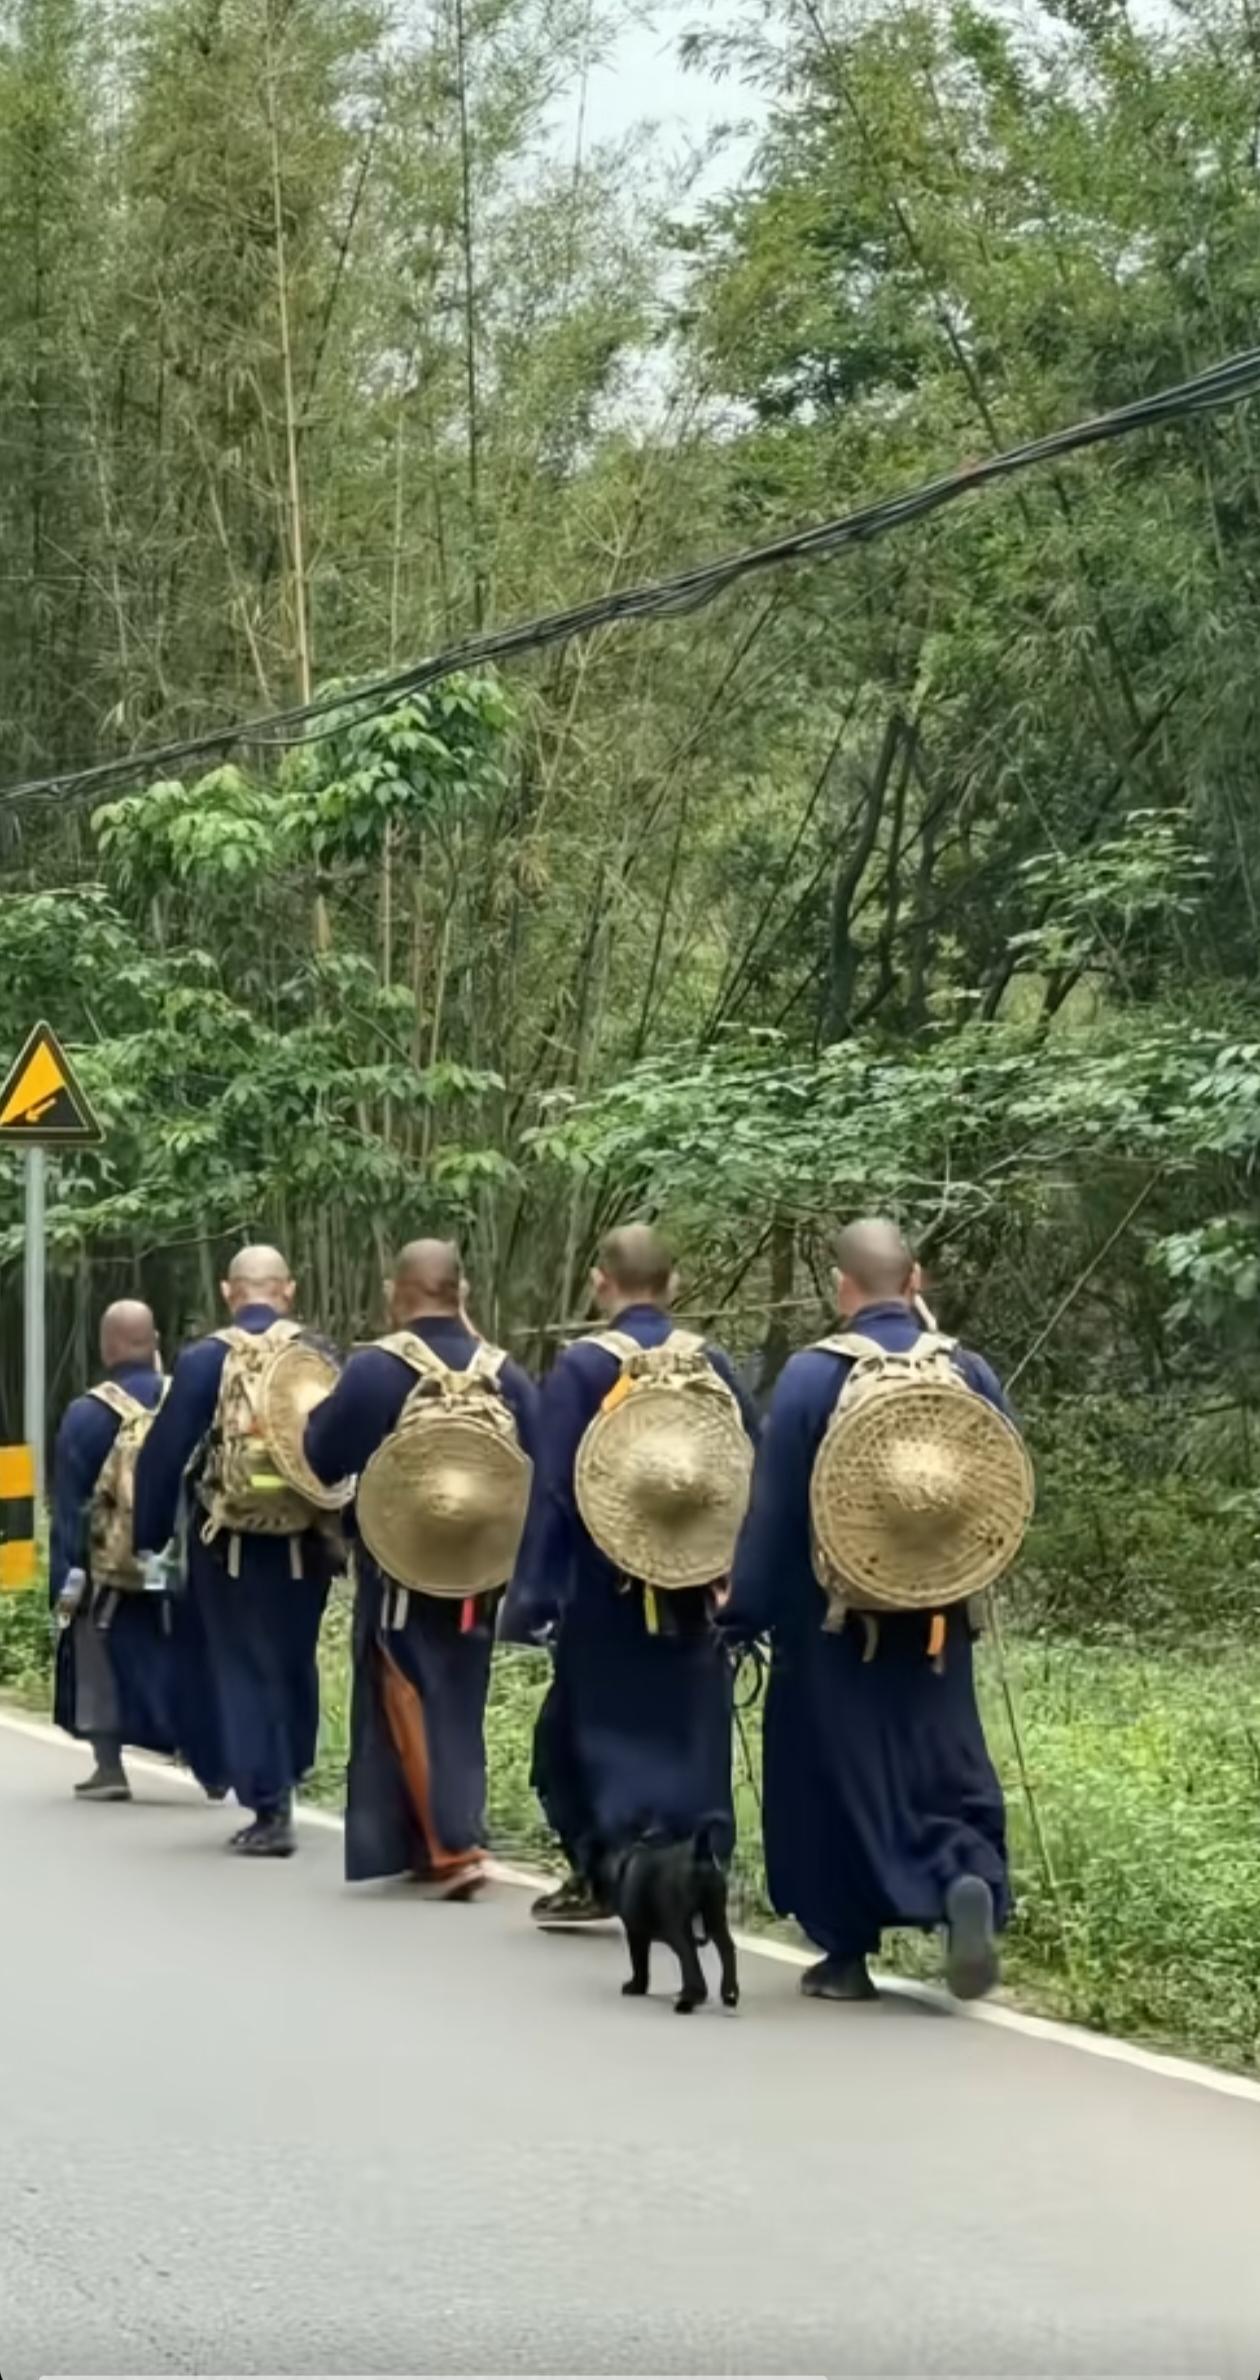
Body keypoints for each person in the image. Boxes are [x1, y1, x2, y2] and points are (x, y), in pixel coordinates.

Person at [720, 1217, 1018, 2003]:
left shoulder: (815, 1378)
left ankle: (846, 1956)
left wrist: (742, 1614)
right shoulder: (970, 1371)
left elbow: (778, 1513)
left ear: (844, 1288)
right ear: (914, 1280)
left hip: (833, 1633)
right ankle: (967, 1881)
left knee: (831, 1785)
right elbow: (1000, 1492)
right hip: (939, 1628)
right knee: (945, 1770)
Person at [504, 1223, 759, 1924]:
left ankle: (613, 1869)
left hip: (603, 1600)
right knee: (692, 1733)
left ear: (599, 1284)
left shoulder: (584, 1368)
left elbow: (554, 1490)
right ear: (673, 1285)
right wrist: (744, 1584)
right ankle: (701, 1870)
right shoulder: (711, 1362)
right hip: (699, 1593)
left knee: (580, 1734)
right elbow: (748, 1471)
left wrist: (531, 1597)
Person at [305, 1240, 539, 1897]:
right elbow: (540, 1465)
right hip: (482, 1571)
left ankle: (450, 1845)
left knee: (404, 1692)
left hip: (399, 1570)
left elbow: (322, 1455)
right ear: (459, 1293)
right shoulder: (504, 1373)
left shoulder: (377, 1370)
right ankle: (447, 1834)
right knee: (459, 1699)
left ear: (398, 1292)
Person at [133, 1246, 335, 1857]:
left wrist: (150, 1538)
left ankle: (269, 1805)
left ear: (229, 1291)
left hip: (231, 1545)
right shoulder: (319, 1353)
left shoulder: (205, 1359)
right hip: (307, 1543)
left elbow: (165, 1453)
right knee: (294, 1658)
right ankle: (291, 1768)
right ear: (289, 1290)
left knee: (243, 1666)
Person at [49, 1300, 225, 1803]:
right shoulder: (190, 1400)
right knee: (194, 1658)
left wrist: (67, 1580)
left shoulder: (87, 1413)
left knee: (98, 1658)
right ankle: (211, 1766)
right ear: (154, 1344)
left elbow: (71, 1508)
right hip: (186, 1564)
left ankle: (109, 1768)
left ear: (107, 1346)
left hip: (111, 1572)